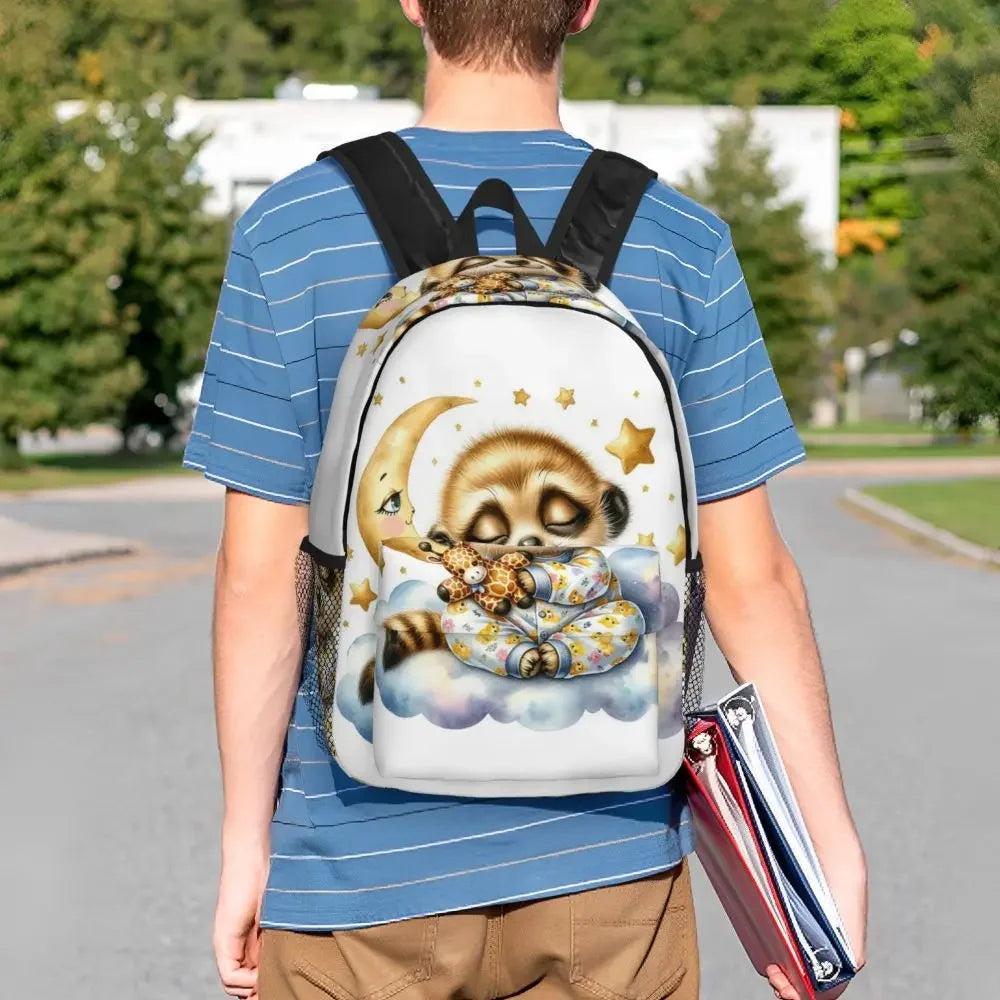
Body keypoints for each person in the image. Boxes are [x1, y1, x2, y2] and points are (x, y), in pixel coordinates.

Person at [184, 2, 868, 998]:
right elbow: (751, 579)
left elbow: (258, 577)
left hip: (357, 873)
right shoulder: (680, 240)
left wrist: (248, 844)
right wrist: (823, 843)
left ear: (413, 2)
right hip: (611, 869)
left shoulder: (292, 234)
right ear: (584, 8)